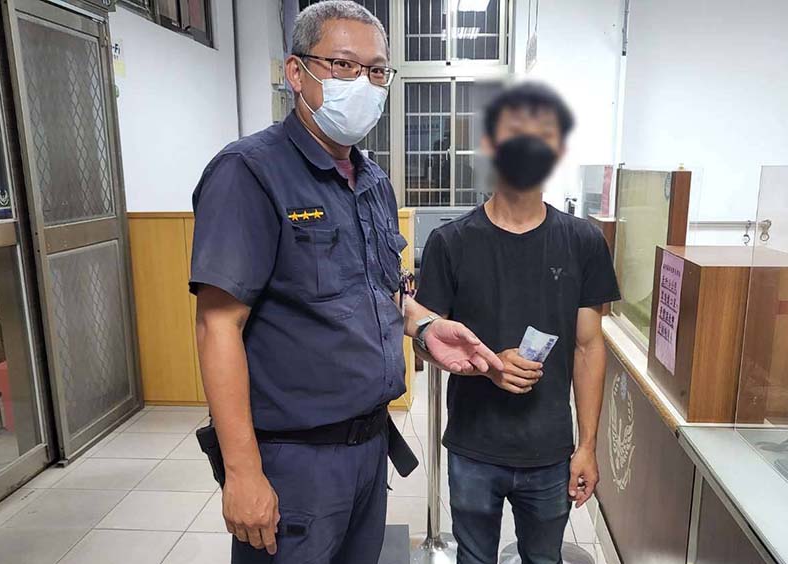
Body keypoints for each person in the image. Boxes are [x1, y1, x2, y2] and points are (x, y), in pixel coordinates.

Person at [189, 2, 503, 563]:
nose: (362, 82)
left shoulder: (372, 180)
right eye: (342, 65)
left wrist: (426, 326)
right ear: (296, 72)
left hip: (368, 449)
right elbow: (218, 327)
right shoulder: (250, 173)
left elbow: (381, 291)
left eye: (376, 70)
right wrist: (242, 472)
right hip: (294, 460)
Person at [415, 82, 621, 564]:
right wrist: (487, 364)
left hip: (550, 451)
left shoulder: (583, 242)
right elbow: (427, 341)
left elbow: (589, 348)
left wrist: (588, 446)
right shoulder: (451, 243)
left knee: (544, 559)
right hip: (474, 445)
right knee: (474, 557)